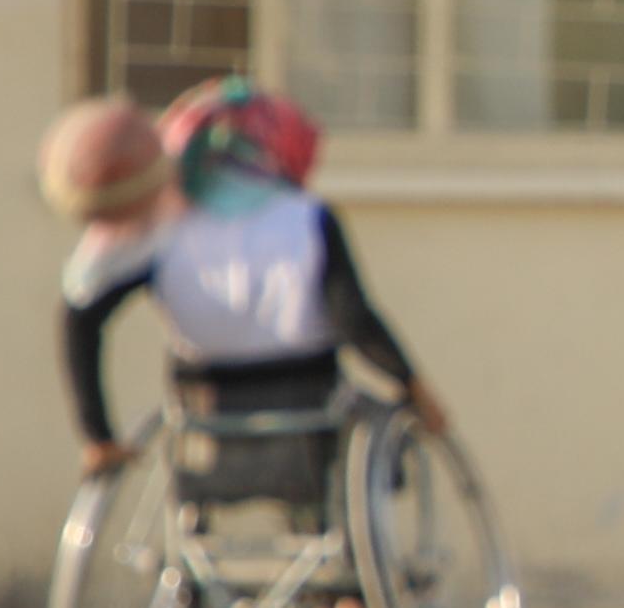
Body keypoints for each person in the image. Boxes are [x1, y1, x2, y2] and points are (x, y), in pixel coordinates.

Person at [49, 87, 447, 569]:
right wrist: (412, 382)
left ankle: (197, 577)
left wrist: (98, 434)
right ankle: (348, 604)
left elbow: (80, 318)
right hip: (308, 401)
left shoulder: (154, 229)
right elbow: (353, 319)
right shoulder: (305, 219)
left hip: (205, 410)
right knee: (358, 449)